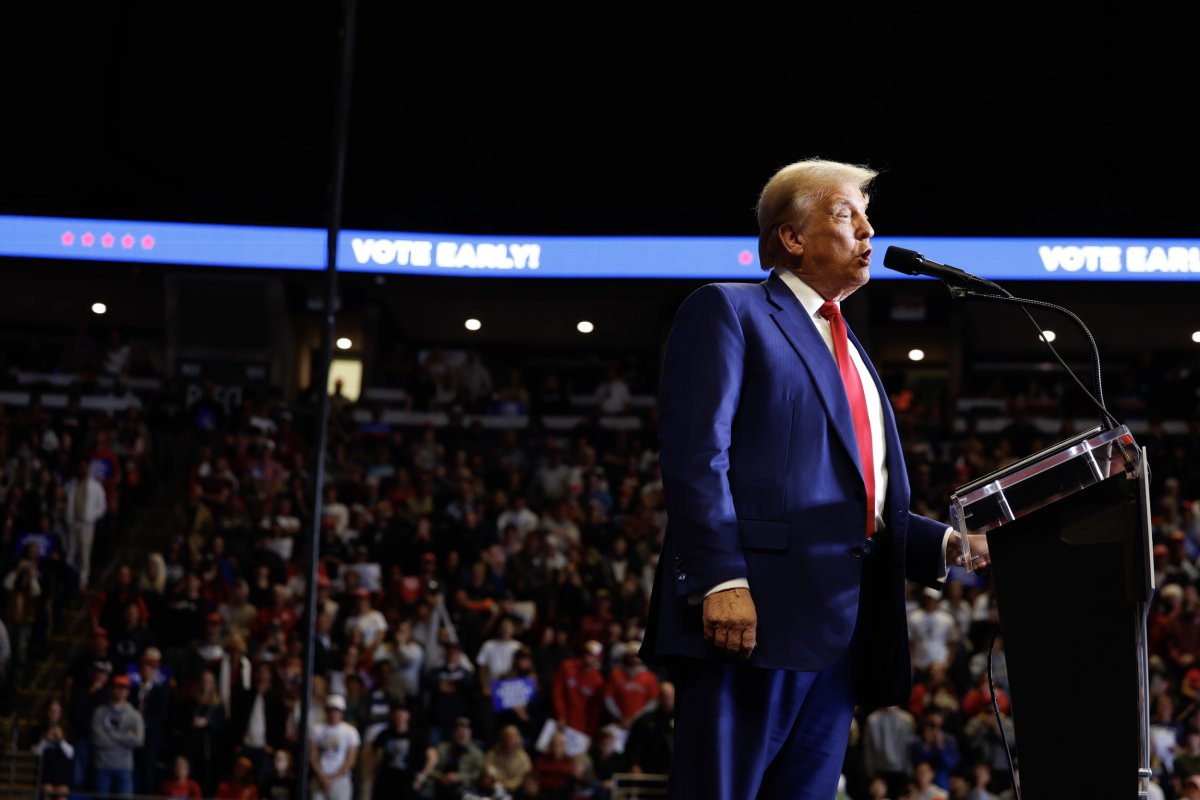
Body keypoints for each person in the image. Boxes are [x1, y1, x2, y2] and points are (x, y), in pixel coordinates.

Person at [638, 157, 988, 799]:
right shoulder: (729, 310)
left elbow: (863, 502)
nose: (867, 230)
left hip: (841, 634)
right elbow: (696, 455)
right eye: (844, 213)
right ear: (791, 238)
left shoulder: (851, 345)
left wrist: (948, 543)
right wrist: (720, 577)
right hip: (753, 621)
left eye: (866, 215)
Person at [91, 672, 145, 796]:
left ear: (128, 691)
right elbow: (97, 740)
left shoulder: (134, 716)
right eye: (118, 687)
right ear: (112, 689)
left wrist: (110, 734)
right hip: (102, 765)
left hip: (124, 766)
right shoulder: (100, 712)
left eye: (124, 688)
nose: (121, 691)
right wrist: (126, 737)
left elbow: (138, 740)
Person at [309, 693, 360, 800]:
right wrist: (322, 777)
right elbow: (312, 756)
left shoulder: (350, 731)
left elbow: (351, 760)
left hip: (341, 779)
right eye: (331, 710)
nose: (333, 713)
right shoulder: (317, 729)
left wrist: (333, 778)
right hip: (320, 777)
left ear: (342, 711)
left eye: (336, 710)